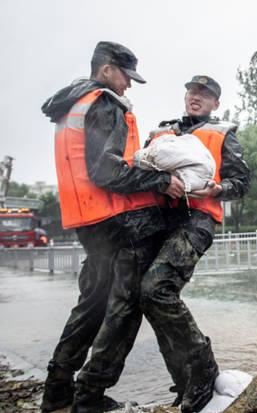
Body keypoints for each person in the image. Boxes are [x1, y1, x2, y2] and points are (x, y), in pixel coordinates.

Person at [40, 41, 185, 412]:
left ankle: (58, 389)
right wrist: (158, 181)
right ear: (107, 70)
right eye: (126, 77)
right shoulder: (105, 104)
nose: (129, 86)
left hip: (85, 218)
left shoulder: (73, 103)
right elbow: (105, 169)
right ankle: (89, 394)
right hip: (112, 219)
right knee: (124, 306)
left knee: (94, 303)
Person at [139, 75, 251, 413]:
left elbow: (241, 181)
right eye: (192, 91)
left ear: (216, 103)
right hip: (158, 220)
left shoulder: (223, 134)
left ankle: (203, 370)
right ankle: (184, 382)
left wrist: (218, 189)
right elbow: (141, 164)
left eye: (205, 94)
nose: (196, 97)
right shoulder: (161, 132)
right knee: (148, 297)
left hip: (198, 218)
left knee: (156, 288)